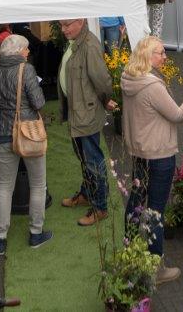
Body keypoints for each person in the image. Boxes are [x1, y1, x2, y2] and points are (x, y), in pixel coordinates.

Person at [122, 36, 183, 284]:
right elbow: (178, 114)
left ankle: (130, 251)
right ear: (148, 56)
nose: (165, 56)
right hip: (158, 154)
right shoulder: (152, 85)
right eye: (161, 53)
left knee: (136, 201)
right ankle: (156, 268)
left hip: (139, 152)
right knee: (155, 210)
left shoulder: (129, 77)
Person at [0, 35, 51, 254]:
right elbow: (39, 102)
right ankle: (35, 233)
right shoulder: (27, 69)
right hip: (28, 132)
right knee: (38, 185)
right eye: (26, 49)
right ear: (19, 51)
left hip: (3, 133)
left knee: (4, 187)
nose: (28, 52)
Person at [57, 18, 115, 226]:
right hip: (78, 112)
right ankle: (87, 193)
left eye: (66, 25)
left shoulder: (89, 45)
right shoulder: (76, 41)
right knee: (84, 157)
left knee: (93, 160)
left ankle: (100, 207)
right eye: (61, 25)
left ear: (80, 21)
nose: (63, 30)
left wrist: (106, 99)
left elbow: (102, 80)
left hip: (86, 113)